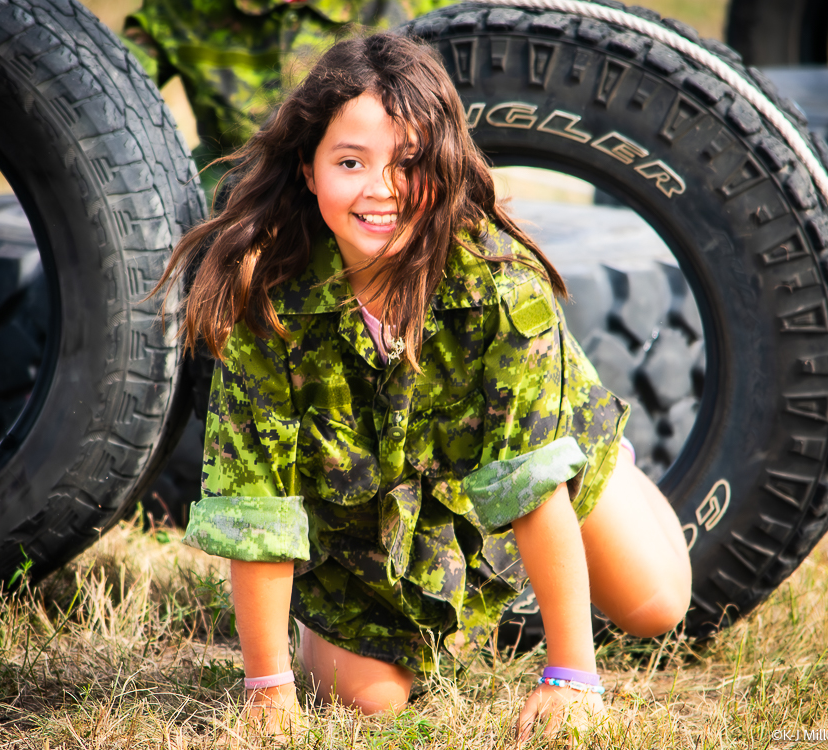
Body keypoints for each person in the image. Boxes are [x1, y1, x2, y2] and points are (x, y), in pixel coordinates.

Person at [151, 32, 692, 741]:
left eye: (408, 163)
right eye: (351, 162)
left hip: (520, 461)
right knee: (368, 700)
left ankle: (600, 454)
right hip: (377, 516)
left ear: (444, 169)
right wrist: (267, 687)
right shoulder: (271, 301)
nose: (381, 190)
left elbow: (527, 484)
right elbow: (257, 504)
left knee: (656, 608)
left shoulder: (498, 288)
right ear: (310, 171)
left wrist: (571, 678)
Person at [122, 0, 453, 203]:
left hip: (368, 202)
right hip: (231, 202)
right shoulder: (185, 10)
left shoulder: (414, 5)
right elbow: (100, 96)